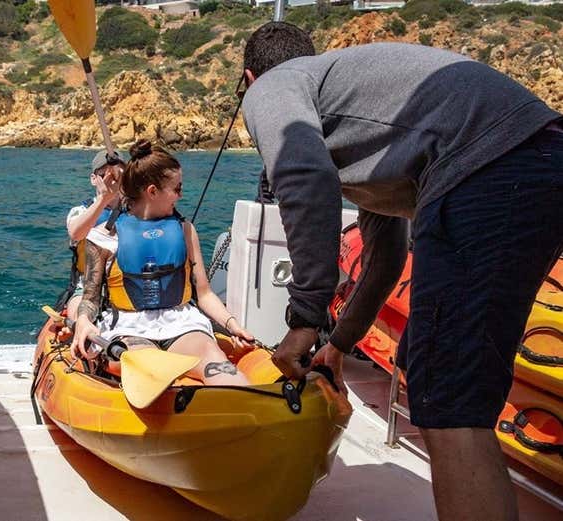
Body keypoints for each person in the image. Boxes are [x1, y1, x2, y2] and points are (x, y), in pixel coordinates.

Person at [241, 22, 562, 521]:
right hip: (535, 155)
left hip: (488, 166)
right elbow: (386, 254)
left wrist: (304, 321)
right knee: (430, 366)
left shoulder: (273, 86)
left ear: (249, 76)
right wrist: (339, 344)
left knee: (450, 400)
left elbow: (302, 174)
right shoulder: (364, 120)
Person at [73, 140, 254, 386]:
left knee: (216, 362)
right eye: (177, 188)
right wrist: (83, 321)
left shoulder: (185, 230)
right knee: (146, 367)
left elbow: (204, 294)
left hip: (182, 323)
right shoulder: (104, 236)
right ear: (152, 192)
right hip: (130, 328)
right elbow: (90, 298)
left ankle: (243, 410)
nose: (181, 195)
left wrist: (233, 325)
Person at [63, 149, 124, 319]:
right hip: (86, 288)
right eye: (105, 175)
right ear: (93, 179)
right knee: (77, 310)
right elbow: (76, 233)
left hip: (124, 285)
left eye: (116, 176)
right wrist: (104, 199)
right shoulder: (80, 211)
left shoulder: (137, 213)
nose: (111, 181)